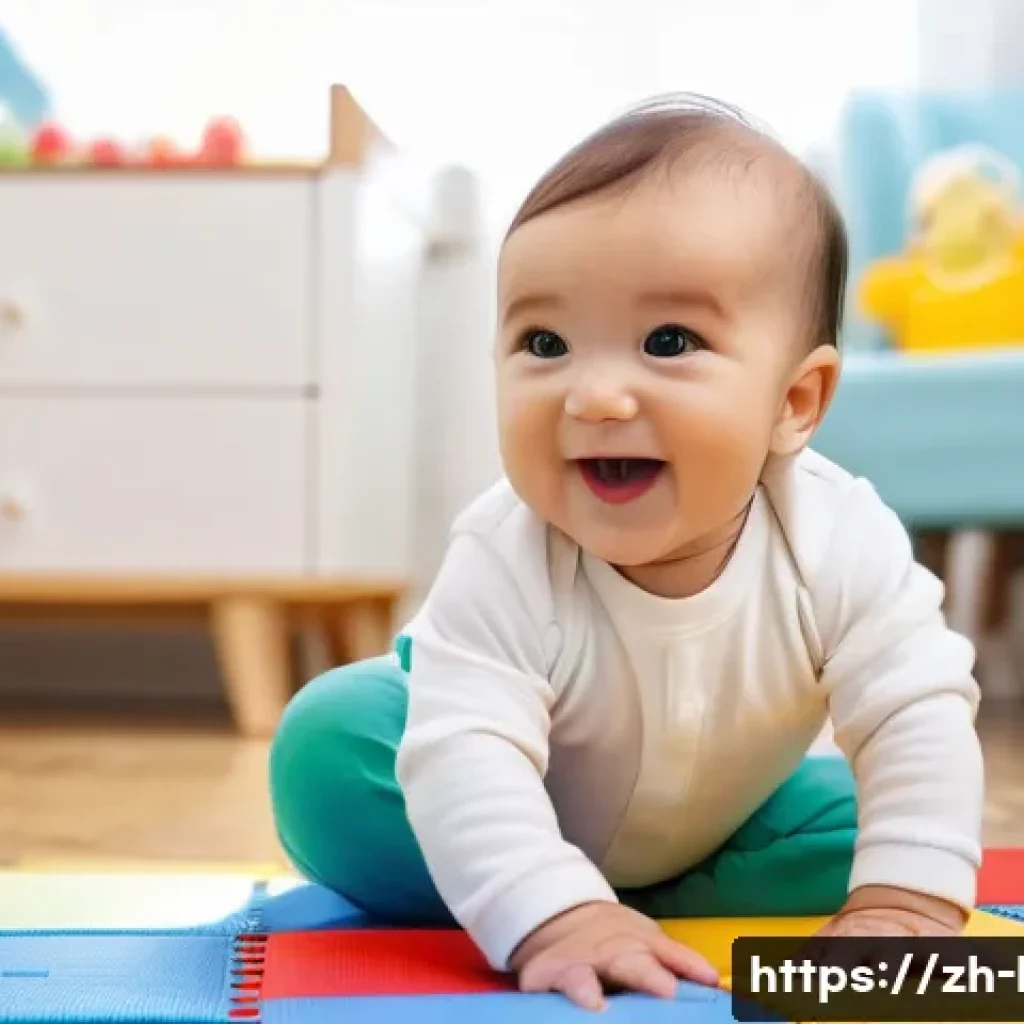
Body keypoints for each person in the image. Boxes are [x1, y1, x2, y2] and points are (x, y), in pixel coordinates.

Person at [270, 94, 983, 1012]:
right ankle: (535, 892)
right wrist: (553, 917)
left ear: (795, 403)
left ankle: (627, 900)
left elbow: (915, 711)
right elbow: (468, 750)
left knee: (878, 824)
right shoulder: (508, 551)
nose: (596, 395)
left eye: (669, 342)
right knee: (329, 747)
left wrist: (902, 904)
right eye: (545, 343)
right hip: (479, 780)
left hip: (711, 821)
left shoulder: (841, 538)